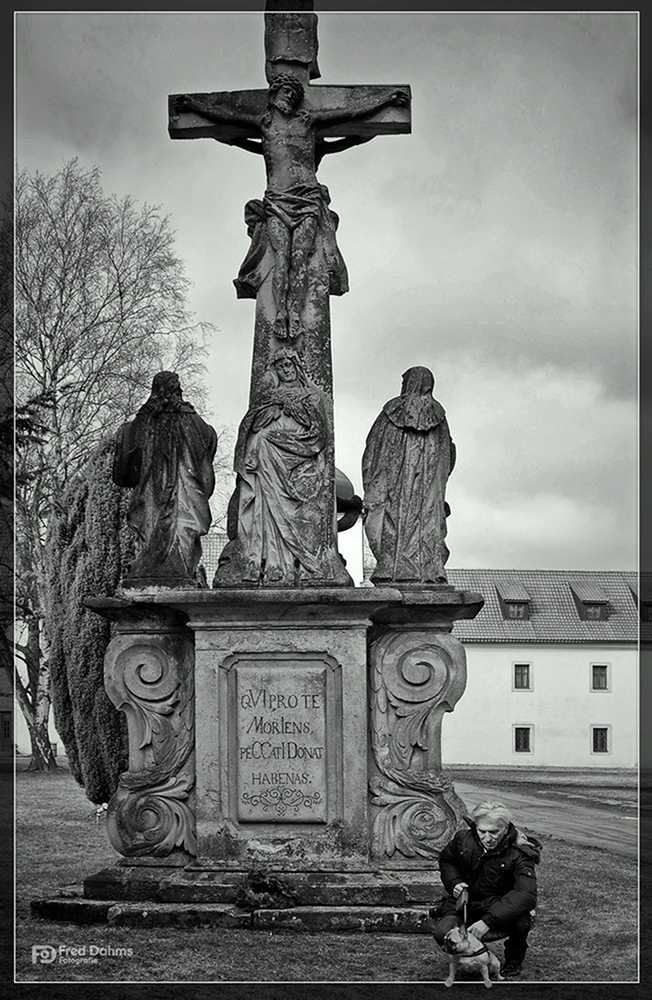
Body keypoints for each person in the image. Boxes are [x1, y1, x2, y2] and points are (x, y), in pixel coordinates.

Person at [175, 76, 407, 338]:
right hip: (277, 200)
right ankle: (281, 314)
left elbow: (349, 112)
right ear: (274, 94)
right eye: (286, 92)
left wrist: (385, 101)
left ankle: (295, 313)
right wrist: (194, 105)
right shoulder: (264, 122)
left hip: (307, 199)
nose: (290, 99)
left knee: (300, 257)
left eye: (295, 96)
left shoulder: (307, 121)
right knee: (281, 258)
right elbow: (226, 116)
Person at [215, 347, 332, 586]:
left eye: (289, 365)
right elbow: (252, 425)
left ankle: (298, 565)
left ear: (297, 367)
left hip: (298, 461)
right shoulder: (268, 397)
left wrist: (292, 409)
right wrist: (270, 412)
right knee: (266, 512)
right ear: (275, 371)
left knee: (297, 515)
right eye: (280, 367)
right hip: (267, 464)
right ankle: (272, 565)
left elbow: (319, 433)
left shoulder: (311, 396)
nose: (285, 371)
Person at [113, 371, 217, 586]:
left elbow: (124, 468)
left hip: (152, 496)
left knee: (152, 533)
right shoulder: (192, 420)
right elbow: (209, 441)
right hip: (183, 498)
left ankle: (157, 569)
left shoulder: (142, 422)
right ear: (178, 390)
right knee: (180, 532)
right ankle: (174, 568)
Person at [362, 366, 455, 585]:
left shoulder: (392, 412)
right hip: (427, 491)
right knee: (427, 521)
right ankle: (428, 569)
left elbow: (373, 451)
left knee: (393, 518)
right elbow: (445, 458)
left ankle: (391, 568)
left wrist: (373, 481)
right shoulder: (438, 417)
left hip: (396, 486)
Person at [431, 801, 542, 979]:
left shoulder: (521, 853)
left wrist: (488, 921)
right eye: (482, 831)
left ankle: (513, 960)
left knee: (522, 920)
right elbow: (446, 861)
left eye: (493, 832)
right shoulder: (462, 839)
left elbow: (525, 894)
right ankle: (470, 955)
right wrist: (454, 883)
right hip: (465, 904)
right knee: (441, 933)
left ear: (505, 829)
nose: (487, 837)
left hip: (498, 906)